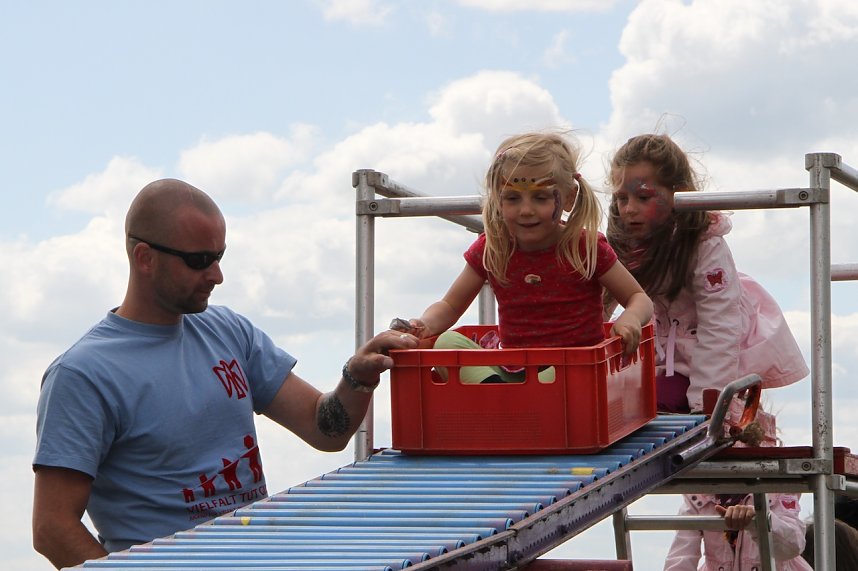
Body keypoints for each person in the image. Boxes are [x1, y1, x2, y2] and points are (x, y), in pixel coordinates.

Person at [31, 179, 418, 570]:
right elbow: (52, 528)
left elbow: (325, 430)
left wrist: (357, 378)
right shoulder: (83, 374)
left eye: (219, 256)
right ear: (145, 258)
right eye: (199, 260)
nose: (217, 275)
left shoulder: (228, 331)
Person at [394, 131, 653, 384]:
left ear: (569, 198)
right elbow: (450, 306)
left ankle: (504, 401)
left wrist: (630, 318)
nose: (526, 210)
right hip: (511, 369)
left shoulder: (585, 247)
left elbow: (638, 297)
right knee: (446, 342)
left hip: (571, 370)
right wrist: (423, 324)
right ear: (498, 200)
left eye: (540, 198)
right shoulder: (493, 248)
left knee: (563, 375)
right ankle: (497, 393)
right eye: (512, 198)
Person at [605, 133, 808, 413]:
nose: (629, 209)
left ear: (680, 195)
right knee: (614, 402)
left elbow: (720, 327)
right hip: (668, 357)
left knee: (649, 405)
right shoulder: (626, 244)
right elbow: (597, 306)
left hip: (717, 359)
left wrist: (707, 406)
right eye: (621, 198)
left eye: (643, 197)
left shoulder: (705, 246)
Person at [663, 491, 813, 570]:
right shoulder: (698, 496)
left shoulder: (776, 487)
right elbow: (681, 559)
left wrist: (759, 519)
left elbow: (793, 545)